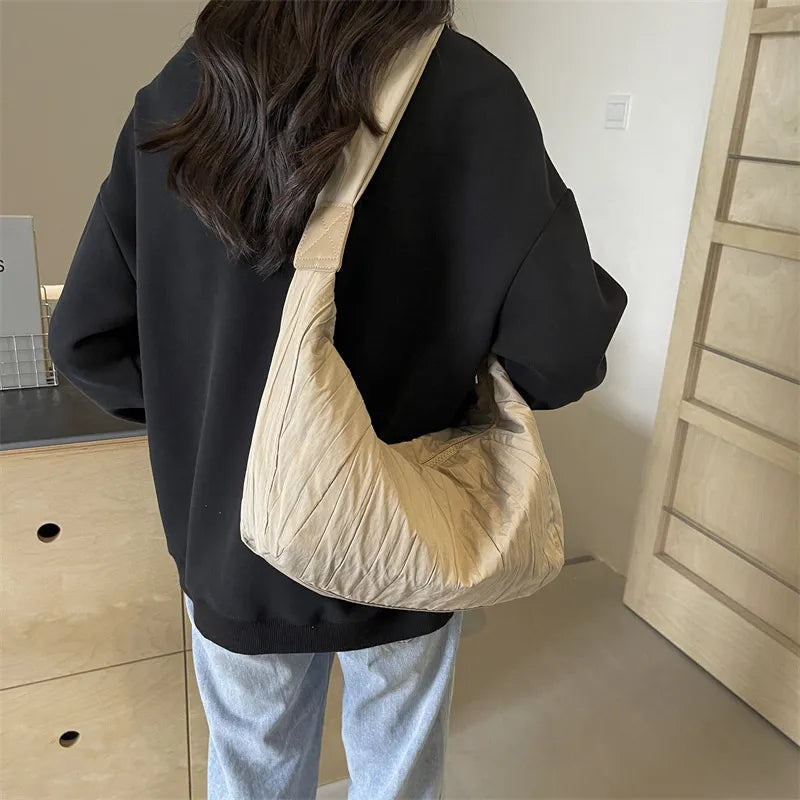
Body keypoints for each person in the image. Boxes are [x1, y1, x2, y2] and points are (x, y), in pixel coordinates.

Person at [49, 2, 627, 798]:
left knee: (253, 773)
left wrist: (206, 425)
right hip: (406, 527)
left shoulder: (185, 89)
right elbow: (561, 354)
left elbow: (86, 338)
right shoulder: (471, 91)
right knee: (396, 775)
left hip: (234, 544)